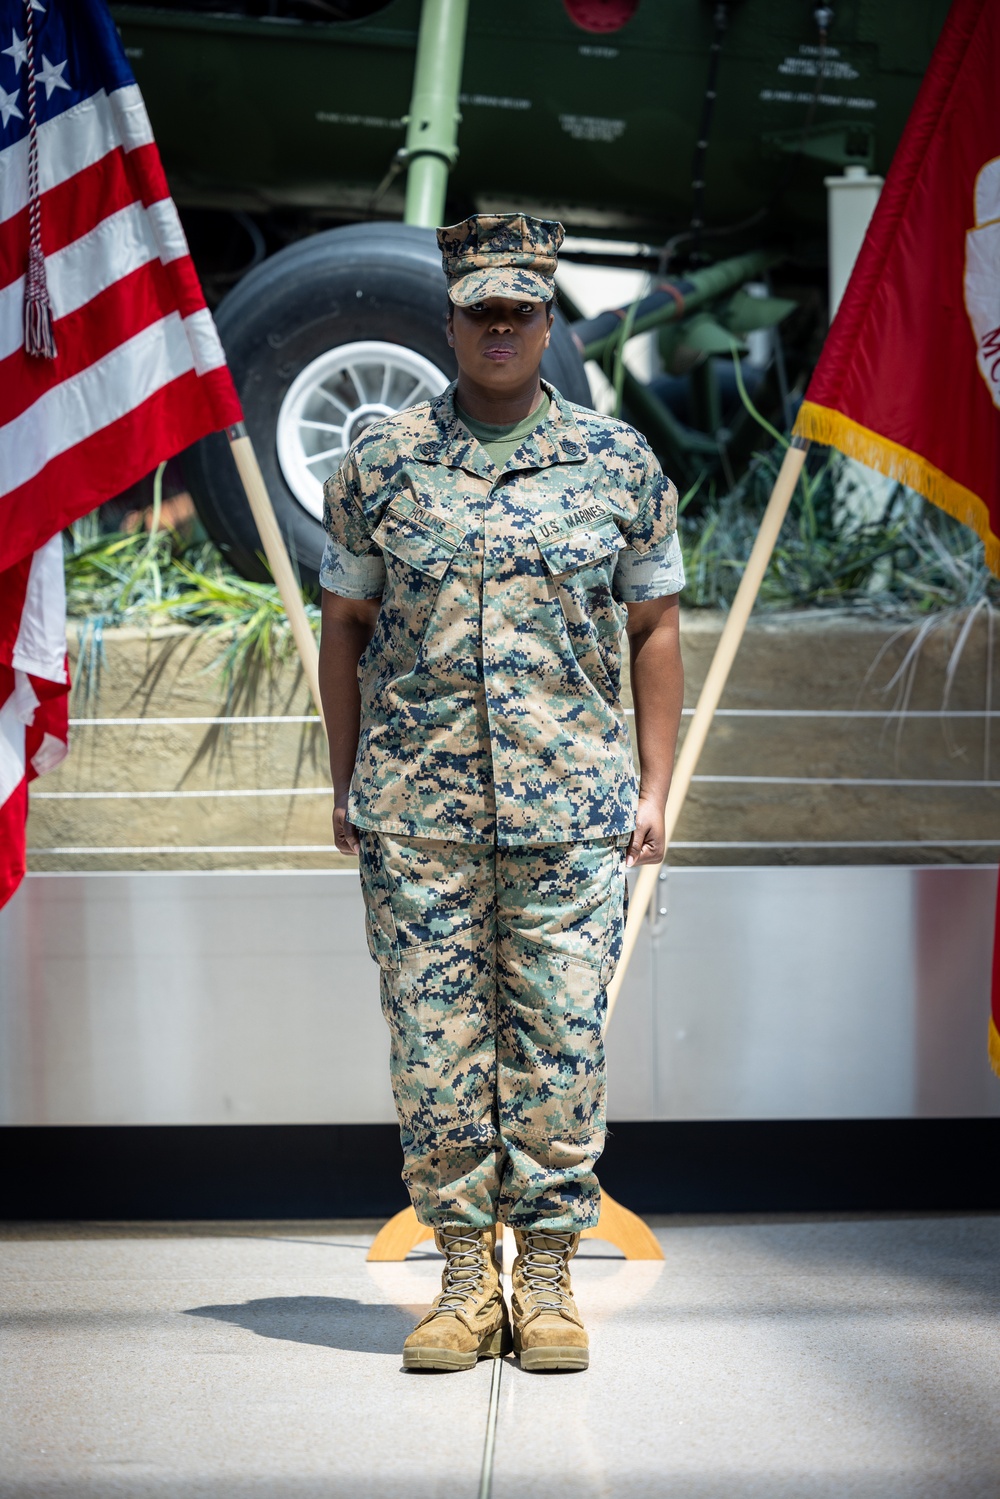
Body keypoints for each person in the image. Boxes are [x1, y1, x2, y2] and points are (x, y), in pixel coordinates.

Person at [318, 213, 684, 1373]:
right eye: (480, 309)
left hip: (571, 814)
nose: (498, 328)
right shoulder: (380, 467)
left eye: (519, 310)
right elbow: (344, 629)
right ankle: (466, 1278)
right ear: (450, 319)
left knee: (560, 1051)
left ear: (545, 319)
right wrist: (345, 779)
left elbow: (655, 628)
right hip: (415, 820)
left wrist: (655, 787)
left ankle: (549, 1279)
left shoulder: (619, 465)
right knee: (434, 1056)